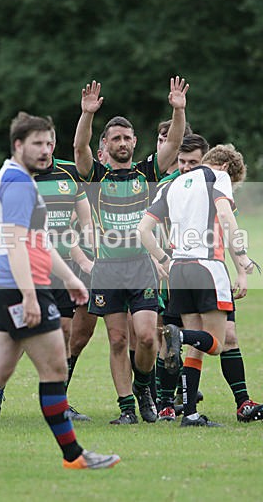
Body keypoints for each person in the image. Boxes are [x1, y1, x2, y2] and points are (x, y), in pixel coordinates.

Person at [0, 112, 119, 470]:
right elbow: (14, 244)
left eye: (49, 143)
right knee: (55, 368)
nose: (45, 150)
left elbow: (38, 241)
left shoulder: (18, 178)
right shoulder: (19, 184)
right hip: (19, 287)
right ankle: (74, 456)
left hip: (6, 287)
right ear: (18, 145)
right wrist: (29, 295)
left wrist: (69, 278)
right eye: (37, 143)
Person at [73, 77, 188, 424]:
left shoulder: (146, 172)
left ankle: (142, 387)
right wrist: (87, 114)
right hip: (107, 270)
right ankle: (127, 408)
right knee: (117, 340)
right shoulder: (96, 176)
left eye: (127, 138)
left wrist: (178, 110)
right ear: (106, 144)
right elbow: (79, 148)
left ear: (135, 142)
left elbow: (175, 143)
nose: (122, 143)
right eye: (115, 139)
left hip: (141, 267)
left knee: (148, 338)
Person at [149, 137, 263, 423]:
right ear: (227, 167)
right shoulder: (218, 178)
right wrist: (243, 259)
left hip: (178, 270)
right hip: (207, 268)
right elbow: (227, 218)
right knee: (215, 342)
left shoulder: (173, 184)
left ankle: (191, 414)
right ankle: (178, 338)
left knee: (200, 345)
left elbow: (144, 229)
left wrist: (164, 259)